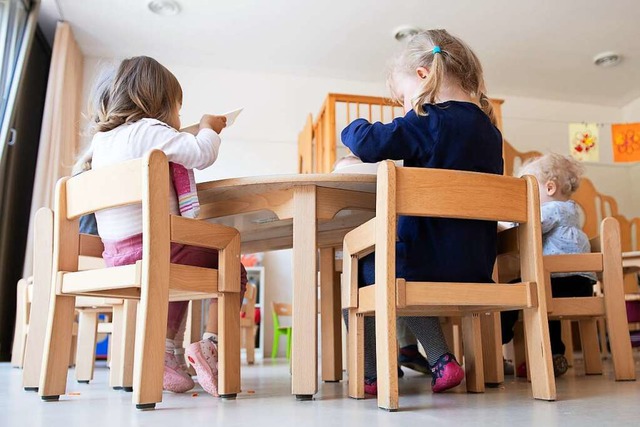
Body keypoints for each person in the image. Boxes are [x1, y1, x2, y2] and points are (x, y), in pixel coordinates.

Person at [341, 29, 503, 395]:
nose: (403, 108)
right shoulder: (490, 131)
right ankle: (440, 361)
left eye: (401, 98)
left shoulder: (429, 118)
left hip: (427, 263)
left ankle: (373, 374)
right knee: (402, 264)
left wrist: (349, 127)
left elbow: (368, 142)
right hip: (476, 266)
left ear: (423, 75)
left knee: (362, 271)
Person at [82, 56, 247, 396]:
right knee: (230, 259)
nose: (178, 118)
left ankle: (165, 355)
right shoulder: (151, 130)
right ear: (159, 103)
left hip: (116, 256)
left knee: (175, 270)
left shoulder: (100, 144)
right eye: (177, 108)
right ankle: (211, 346)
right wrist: (207, 127)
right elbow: (202, 154)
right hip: (157, 249)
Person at [501, 153, 596, 377]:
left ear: (550, 188)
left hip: (562, 280)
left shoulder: (551, 209)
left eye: (527, 192)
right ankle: (553, 356)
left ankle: (499, 337)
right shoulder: (569, 211)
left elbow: (526, 225)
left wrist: (502, 223)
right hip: (580, 285)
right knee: (545, 299)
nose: (524, 199)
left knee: (515, 291)